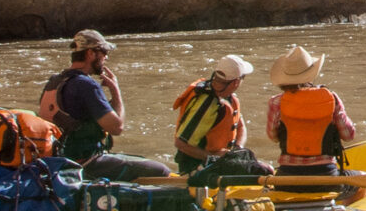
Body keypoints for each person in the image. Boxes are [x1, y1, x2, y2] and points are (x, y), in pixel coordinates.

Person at [39, 29, 169, 181]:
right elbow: (116, 127)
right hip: (85, 164)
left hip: (56, 163)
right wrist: (116, 91)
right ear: (91, 54)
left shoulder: (54, 81)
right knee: (162, 170)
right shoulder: (87, 85)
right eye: (104, 52)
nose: (106, 57)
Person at [264, 45, 356, 177]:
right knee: (361, 178)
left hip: (287, 175)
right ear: (311, 76)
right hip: (326, 174)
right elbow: (348, 135)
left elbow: (273, 137)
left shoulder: (275, 102)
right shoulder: (332, 98)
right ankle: (341, 197)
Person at [172, 53, 262, 177]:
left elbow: (241, 127)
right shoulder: (207, 105)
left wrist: (237, 148)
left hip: (218, 162)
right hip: (196, 167)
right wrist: (213, 158)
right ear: (236, 82)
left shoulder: (231, 99)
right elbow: (180, 143)